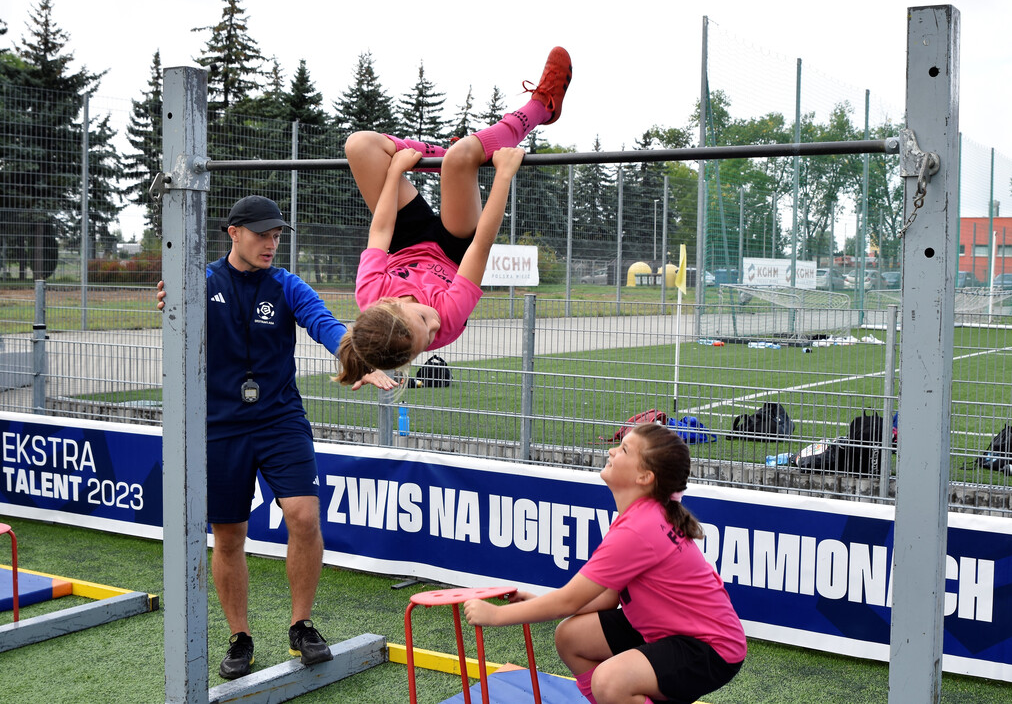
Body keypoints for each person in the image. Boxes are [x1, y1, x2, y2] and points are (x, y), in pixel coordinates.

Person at [157, 195, 395, 679]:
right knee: (229, 536)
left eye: (277, 235)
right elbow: (175, 311)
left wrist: (356, 358)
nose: (271, 243)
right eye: (262, 234)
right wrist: (169, 302)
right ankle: (240, 636)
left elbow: (325, 324)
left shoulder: (287, 284)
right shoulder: (202, 281)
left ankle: (302, 625)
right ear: (233, 233)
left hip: (279, 419)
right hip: (219, 424)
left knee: (303, 515)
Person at [332, 46, 572, 383]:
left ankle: (460, 157)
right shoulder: (448, 318)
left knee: (360, 145)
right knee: (462, 156)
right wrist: (503, 175)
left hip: (405, 241)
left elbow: (382, 229)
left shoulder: (369, 295)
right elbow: (481, 246)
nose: (434, 329)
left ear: (390, 305)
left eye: (423, 322)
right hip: (454, 249)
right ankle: (541, 107)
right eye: (428, 340)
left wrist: (394, 172)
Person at [463, 423, 746, 704]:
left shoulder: (639, 528)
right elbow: (608, 597)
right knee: (571, 637)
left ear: (645, 477)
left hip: (711, 649)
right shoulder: (641, 516)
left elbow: (569, 601)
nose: (611, 451)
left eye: (623, 449)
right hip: (668, 631)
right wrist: (537, 601)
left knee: (610, 681)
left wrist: (495, 617)